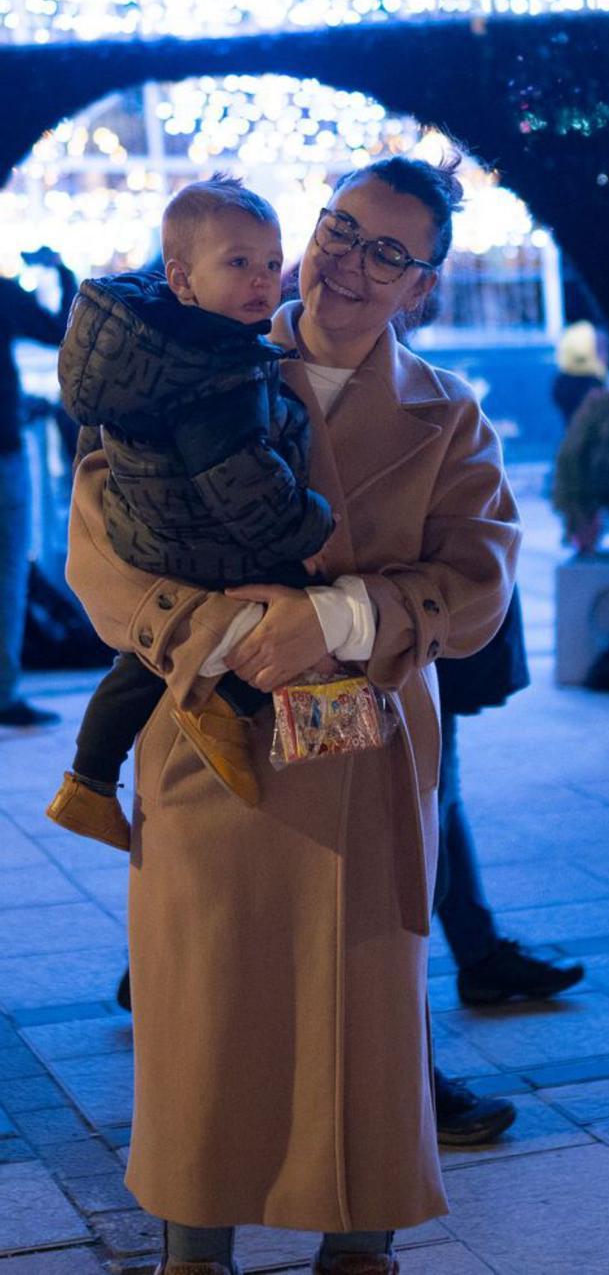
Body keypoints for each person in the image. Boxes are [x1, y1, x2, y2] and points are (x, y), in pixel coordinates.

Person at [64, 153, 519, 1275]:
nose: (348, 261)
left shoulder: (448, 417)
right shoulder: (180, 361)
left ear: (422, 286)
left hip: (362, 761)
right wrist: (210, 634)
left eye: (388, 251)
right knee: (205, 999)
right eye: (340, 226)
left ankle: (360, 1242)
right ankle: (194, 1243)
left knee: (361, 1006)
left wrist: (347, 617)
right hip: (209, 743)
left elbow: (479, 582)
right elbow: (98, 552)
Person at [45, 176, 335, 849]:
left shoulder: (159, 350)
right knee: (293, 606)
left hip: (158, 530)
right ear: (181, 278)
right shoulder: (215, 372)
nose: (263, 280)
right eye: (238, 262)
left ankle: (87, 780)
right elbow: (245, 487)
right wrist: (312, 523)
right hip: (199, 538)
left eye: (271, 262)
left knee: (142, 661)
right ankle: (225, 705)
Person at [430, 585, 584, 1142]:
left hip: (399, 633)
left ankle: (480, 952)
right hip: (375, 639)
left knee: (436, 795)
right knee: (415, 814)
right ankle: (401, 1070)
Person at [0, 240, 77, 728]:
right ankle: (3, 693)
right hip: (3, 450)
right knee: (8, 572)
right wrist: (59, 271)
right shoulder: (2, 292)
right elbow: (58, 331)